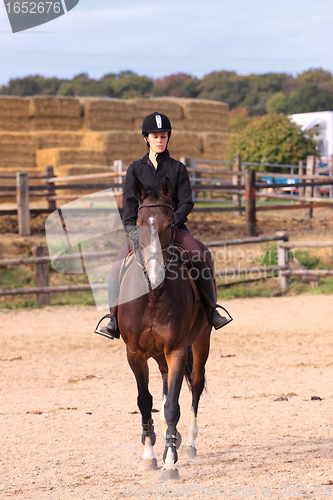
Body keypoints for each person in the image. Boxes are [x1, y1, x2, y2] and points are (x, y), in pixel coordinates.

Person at [99, 111, 229, 338]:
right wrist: (133, 232)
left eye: (164, 136)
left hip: (173, 230)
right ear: (146, 138)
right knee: (117, 265)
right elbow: (129, 207)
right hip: (142, 232)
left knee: (198, 255)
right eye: (155, 136)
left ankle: (211, 311)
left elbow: (187, 201)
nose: (160, 140)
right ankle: (112, 319)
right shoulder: (135, 169)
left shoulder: (178, 168)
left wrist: (173, 224)